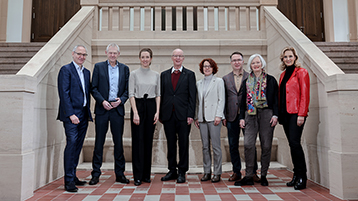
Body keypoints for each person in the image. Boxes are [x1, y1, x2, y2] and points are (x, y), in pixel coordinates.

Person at [89, 43, 130, 185]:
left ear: (119, 54)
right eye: (110, 53)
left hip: (117, 109)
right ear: (106, 52)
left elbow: (127, 90)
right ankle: (95, 174)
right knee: (99, 142)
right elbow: (93, 88)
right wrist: (102, 102)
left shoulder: (125, 69)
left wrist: (122, 100)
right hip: (102, 109)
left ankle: (120, 174)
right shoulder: (98, 67)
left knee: (118, 143)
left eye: (115, 53)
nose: (112, 55)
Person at [235, 54, 278, 187]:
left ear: (262, 64)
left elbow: (276, 99)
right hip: (250, 114)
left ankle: (264, 175)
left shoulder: (270, 80)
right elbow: (242, 102)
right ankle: (249, 175)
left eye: (258, 62)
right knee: (248, 144)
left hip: (266, 113)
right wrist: (241, 117)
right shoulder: (246, 81)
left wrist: (275, 115)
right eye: (253, 63)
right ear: (250, 66)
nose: (256, 65)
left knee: (266, 145)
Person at [57, 45, 93, 192]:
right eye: (79, 54)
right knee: (71, 144)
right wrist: (71, 114)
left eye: (84, 55)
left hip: (83, 114)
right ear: (73, 54)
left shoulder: (86, 72)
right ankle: (68, 181)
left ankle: (73, 175)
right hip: (71, 115)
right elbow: (63, 93)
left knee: (78, 147)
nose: (81, 57)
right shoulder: (66, 70)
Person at [160, 48, 196, 183]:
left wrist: (191, 114)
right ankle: (172, 170)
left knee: (183, 144)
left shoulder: (189, 74)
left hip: (183, 116)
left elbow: (193, 96)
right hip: (168, 116)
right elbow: (161, 95)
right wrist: (161, 115)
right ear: (172, 57)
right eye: (175, 56)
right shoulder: (164, 75)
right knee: (170, 144)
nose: (178, 58)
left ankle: (182, 171)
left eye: (180, 56)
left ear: (183, 58)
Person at [222, 52, 260, 182]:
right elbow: (223, 99)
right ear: (231, 62)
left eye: (239, 60)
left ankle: (253, 171)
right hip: (231, 116)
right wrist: (223, 116)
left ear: (243, 61)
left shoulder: (250, 76)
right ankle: (236, 171)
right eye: (234, 60)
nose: (236, 62)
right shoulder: (225, 79)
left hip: (248, 115)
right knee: (233, 145)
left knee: (250, 145)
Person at [278, 47, 310, 190]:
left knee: (295, 144)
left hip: (296, 114)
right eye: (285, 57)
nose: (288, 59)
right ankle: (296, 175)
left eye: (290, 56)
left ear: (295, 58)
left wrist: (302, 114)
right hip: (285, 114)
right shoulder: (283, 74)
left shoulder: (302, 72)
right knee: (292, 144)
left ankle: (302, 176)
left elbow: (305, 94)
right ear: (283, 59)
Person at [129, 48, 160, 186]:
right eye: (143, 57)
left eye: (147, 57)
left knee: (148, 142)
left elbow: (158, 94)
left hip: (152, 106)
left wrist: (157, 112)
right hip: (138, 106)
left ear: (151, 58)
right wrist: (135, 112)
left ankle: (146, 174)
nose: (145, 59)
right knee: (138, 142)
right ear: (139, 58)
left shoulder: (156, 75)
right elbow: (131, 94)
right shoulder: (134, 74)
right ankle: (137, 175)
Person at [194, 58, 225, 183]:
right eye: (205, 66)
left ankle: (217, 172)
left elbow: (221, 99)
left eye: (209, 66)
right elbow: (197, 102)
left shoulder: (218, 81)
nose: (207, 68)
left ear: (213, 68)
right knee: (205, 147)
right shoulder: (198, 83)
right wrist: (197, 116)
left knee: (216, 147)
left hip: (214, 118)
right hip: (202, 119)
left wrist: (219, 115)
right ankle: (207, 171)